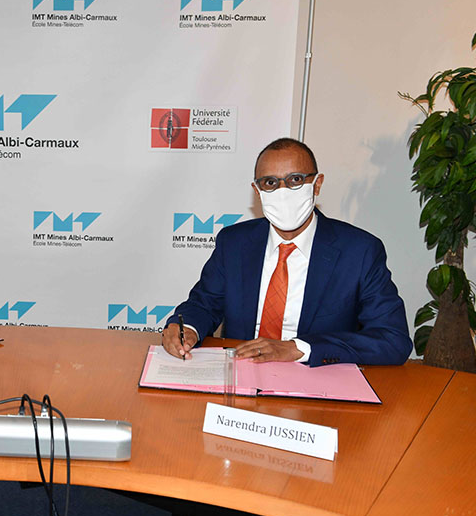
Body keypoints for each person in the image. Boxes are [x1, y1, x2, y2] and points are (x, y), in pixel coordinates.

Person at [162, 137, 412, 366]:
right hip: (242, 375)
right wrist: (186, 327)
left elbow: (393, 340)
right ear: (257, 191)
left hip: (317, 382)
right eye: (270, 183)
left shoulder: (359, 251)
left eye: (295, 180)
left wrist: (300, 348)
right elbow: (203, 304)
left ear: (317, 184)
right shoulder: (234, 243)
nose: (282, 192)